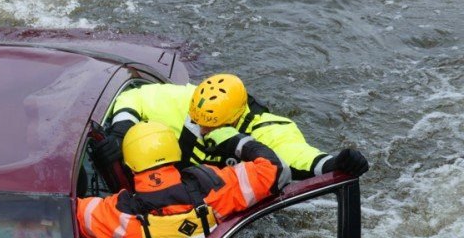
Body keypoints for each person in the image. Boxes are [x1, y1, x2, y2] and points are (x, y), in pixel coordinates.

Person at [77, 120, 289, 238]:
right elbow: (276, 170)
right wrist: (237, 142)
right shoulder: (215, 187)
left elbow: (65, 212)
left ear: (130, 164)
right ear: (175, 152)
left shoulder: (116, 215)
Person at [94, 74, 369, 181]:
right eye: (199, 123)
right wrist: (121, 131)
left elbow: (302, 159)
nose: (202, 131)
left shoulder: (268, 130)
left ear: (235, 119)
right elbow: (135, 96)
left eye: (211, 127)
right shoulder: (188, 101)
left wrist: (337, 163)